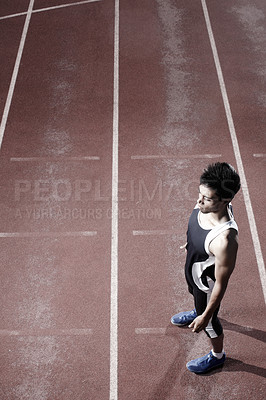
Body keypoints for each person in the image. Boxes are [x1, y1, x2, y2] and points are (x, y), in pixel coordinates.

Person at [171, 162, 241, 374]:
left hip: (206, 285)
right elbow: (194, 225)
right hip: (193, 268)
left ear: (225, 201)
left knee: (210, 324)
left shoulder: (225, 240)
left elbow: (221, 284)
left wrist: (205, 315)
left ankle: (217, 356)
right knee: (193, 292)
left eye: (207, 198)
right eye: (199, 194)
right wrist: (191, 243)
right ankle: (196, 309)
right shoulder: (206, 201)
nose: (199, 201)